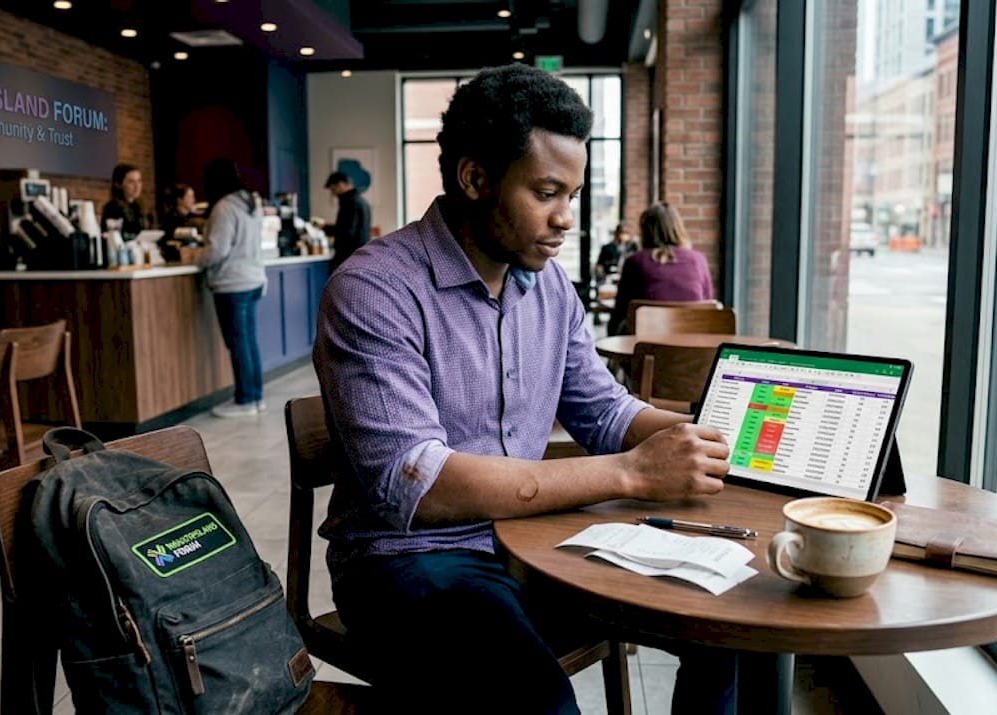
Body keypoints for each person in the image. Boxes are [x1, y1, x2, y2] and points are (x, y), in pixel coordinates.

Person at [314, 63, 737, 714]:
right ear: (476, 178)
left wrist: (714, 435)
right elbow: (421, 484)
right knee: (538, 699)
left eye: (572, 195)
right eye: (547, 193)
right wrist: (629, 474)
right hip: (408, 559)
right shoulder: (375, 288)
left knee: (723, 627)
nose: (566, 219)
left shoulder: (549, 287)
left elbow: (604, 409)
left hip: (531, 540)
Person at [201, 158, 267, 418]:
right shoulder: (251, 202)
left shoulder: (224, 207)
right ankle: (255, 396)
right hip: (253, 279)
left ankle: (245, 400)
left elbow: (218, 249)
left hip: (232, 283)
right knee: (248, 341)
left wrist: (195, 258)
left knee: (239, 343)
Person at [608, 201, 716, 336]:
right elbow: (708, 308)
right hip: (693, 350)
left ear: (645, 231)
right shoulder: (699, 260)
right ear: (678, 228)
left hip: (645, 350)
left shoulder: (634, 261)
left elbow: (620, 311)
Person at [323, 171, 371, 269]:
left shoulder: (349, 203)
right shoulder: (362, 202)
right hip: (360, 256)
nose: (333, 193)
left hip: (347, 256)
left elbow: (346, 231)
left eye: (333, 189)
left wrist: (326, 228)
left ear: (341, 185)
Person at [101, 163, 146, 236]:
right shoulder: (112, 208)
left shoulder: (139, 207)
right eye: (131, 182)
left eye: (139, 181)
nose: (137, 186)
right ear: (118, 184)